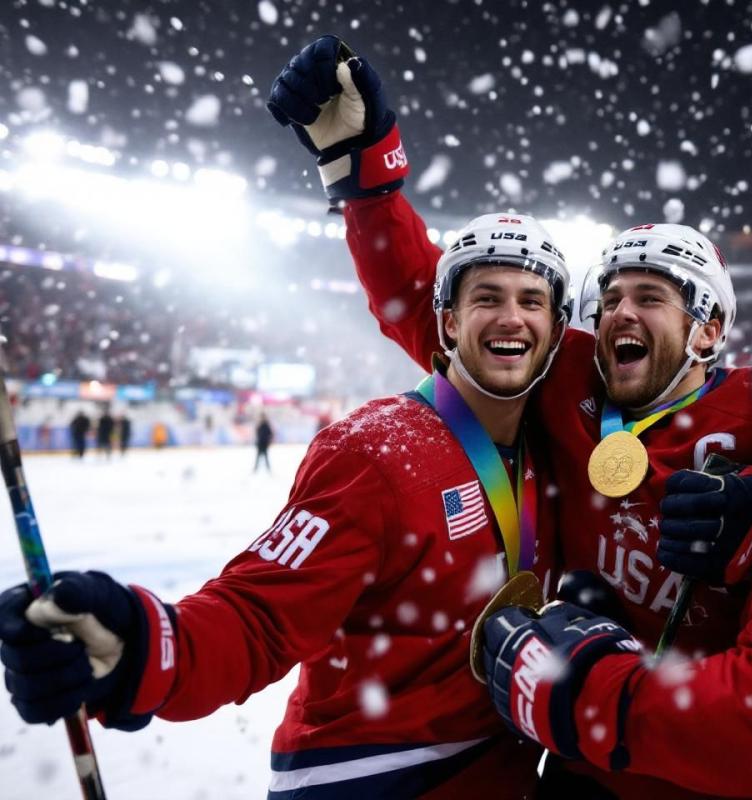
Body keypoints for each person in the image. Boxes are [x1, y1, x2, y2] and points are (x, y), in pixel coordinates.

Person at [268, 35, 752, 799]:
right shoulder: (568, 375)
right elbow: (443, 314)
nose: (621, 311)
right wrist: (369, 182)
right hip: (588, 759)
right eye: (612, 297)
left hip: (713, 760)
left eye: (651, 297)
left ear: (708, 330)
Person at [0, 212, 574, 798]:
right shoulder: (374, 452)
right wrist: (145, 645)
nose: (511, 317)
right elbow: (259, 616)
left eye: (532, 300)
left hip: (499, 774)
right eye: (488, 297)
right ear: (448, 322)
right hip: (372, 781)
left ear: (556, 330)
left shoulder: (552, 452)